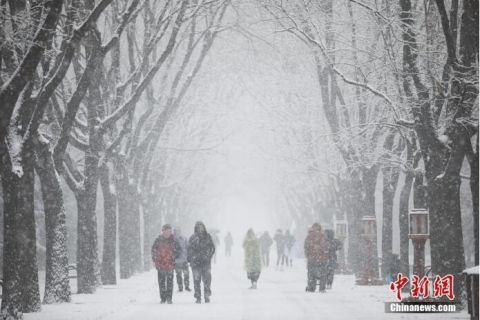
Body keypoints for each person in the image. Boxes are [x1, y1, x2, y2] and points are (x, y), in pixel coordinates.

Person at [151, 224, 181, 304]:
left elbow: (178, 250)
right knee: (161, 282)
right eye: (166, 231)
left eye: (169, 231)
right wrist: (155, 259)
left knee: (170, 282)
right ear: (163, 231)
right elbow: (153, 250)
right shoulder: (158, 240)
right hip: (160, 264)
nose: (168, 233)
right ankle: (163, 298)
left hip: (170, 264)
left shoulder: (174, 240)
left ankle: (169, 298)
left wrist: (173, 256)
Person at [187, 221, 216, 304]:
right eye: (198, 227)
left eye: (201, 226)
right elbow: (189, 249)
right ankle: (198, 296)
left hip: (206, 262)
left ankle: (206, 294)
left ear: (204, 227)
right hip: (195, 263)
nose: (200, 228)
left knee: (207, 279)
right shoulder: (192, 238)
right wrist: (191, 258)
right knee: (196, 280)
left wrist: (208, 256)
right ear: (196, 228)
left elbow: (212, 248)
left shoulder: (208, 237)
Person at [304, 223, 328, 292]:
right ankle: (322, 288)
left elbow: (306, 247)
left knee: (311, 273)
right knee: (323, 273)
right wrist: (323, 253)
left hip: (312, 258)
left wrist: (307, 255)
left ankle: (311, 287)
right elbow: (325, 247)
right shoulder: (323, 236)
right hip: (322, 258)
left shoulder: (309, 236)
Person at [174, 227, 191, 292]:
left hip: (184, 259)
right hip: (177, 260)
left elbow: (188, 247)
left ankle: (187, 286)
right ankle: (180, 287)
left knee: (186, 274)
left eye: (178, 231)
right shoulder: (172, 239)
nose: (177, 233)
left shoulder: (184, 238)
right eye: (176, 231)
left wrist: (188, 256)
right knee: (179, 274)